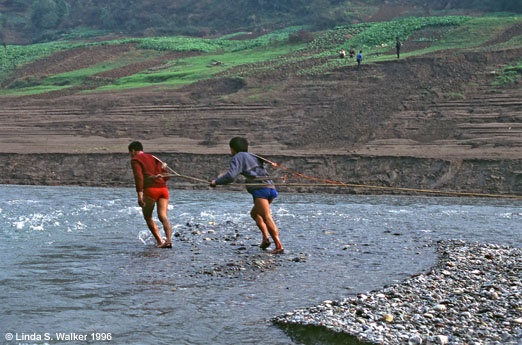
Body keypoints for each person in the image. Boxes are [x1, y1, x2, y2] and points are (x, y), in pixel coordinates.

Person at [210, 137, 284, 254]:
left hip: (261, 190)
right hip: (270, 188)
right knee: (255, 214)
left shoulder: (238, 157)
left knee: (267, 217)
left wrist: (216, 182)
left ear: (233, 149)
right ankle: (265, 239)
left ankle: (279, 246)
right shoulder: (252, 155)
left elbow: (231, 176)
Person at [128, 141, 173, 248]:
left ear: (133, 151)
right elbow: (166, 177)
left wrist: (139, 194)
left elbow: (138, 177)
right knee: (163, 216)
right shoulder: (154, 158)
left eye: (130, 152)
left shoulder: (135, 160)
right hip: (163, 189)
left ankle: (160, 242)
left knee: (148, 217)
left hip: (151, 190)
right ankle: (169, 241)